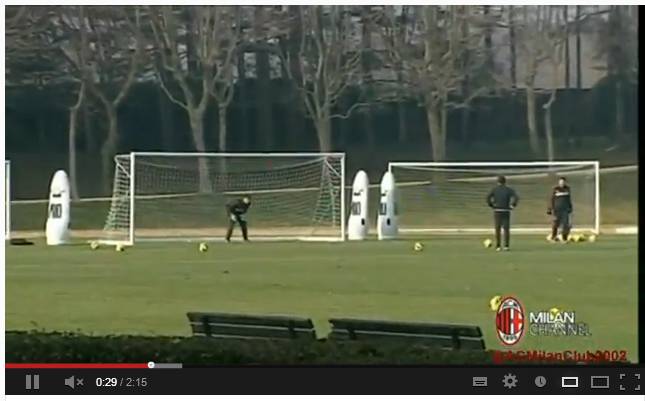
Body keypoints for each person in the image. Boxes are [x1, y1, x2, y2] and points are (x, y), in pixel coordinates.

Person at [486, 176, 519, 251]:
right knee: (506, 229)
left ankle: (498, 246)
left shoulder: (495, 189)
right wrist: (512, 205)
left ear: (498, 182)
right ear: (505, 182)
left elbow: (488, 198)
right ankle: (506, 246)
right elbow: (516, 197)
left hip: (497, 210)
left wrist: (492, 205)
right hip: (506, 211)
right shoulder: (508, 189)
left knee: (497, 229)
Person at [547, 176, 573, 242]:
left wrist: (570, 207)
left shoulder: (567, 189)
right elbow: (552, 199)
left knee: (565, 224)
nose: (562, 183)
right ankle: (553, 237)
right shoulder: (555, 189)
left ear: (565, 182)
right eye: (560, 182)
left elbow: (569, 199)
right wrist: (549, 209)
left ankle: (564, 239)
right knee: (555, 224)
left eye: (563, 182)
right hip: (557, 210)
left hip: (565, 210)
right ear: (559, 182)